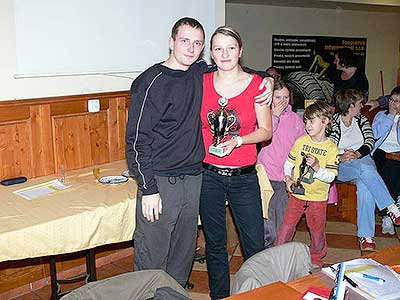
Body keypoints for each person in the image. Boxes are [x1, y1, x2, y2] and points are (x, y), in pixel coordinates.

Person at [126, 17, 273, 287]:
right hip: (161, 182)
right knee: (152, 254)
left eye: (197, 43)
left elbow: (238, 68)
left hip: (195, 179)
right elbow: (136, 140)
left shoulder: (198, 73)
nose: (191, 49)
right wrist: (147, 189)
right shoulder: (151, 81)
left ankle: (175, 292)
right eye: (184, 41)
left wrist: (267, 80)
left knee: (183, 254)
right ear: (171, 43)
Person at [199, 26, 272, 300]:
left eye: (230, 47)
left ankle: (258, 294)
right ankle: (219, 295)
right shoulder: (202, 81)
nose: (224, 53)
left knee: (253, 244)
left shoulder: (258, 85)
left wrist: (239, 141)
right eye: (218, 48)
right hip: (208, 176)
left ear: (241, 51)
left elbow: (266, 131)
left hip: (243, 177)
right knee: (215, 243)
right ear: (211, 53)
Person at [329, 89, 400, 251]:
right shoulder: (332, 122)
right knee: (366, 169)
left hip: (362, 159)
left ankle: (366, 236)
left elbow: (370, 142)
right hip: (341, 164)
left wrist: (357, 153)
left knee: (365, 183)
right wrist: (340, 156)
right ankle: (390, 207)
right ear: (351, 105)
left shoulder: (362, 120)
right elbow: (328, 146)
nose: (362, 106)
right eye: (360, 103)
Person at [274, 101, 339, 268]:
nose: (307, 125)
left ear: (325, 121)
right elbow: (289, 162)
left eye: (312, 121)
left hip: (317, 198)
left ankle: (316, 256)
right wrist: (288, 178)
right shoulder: (301, 141)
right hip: (297, 195)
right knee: (286, 227)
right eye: (306, 121)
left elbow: (331, 176)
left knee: (317, 231)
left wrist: (317, 166)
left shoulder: (331, 148)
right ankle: (277, 255)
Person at [257, 80, 305, 248]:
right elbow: (265, 136)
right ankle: (266, 252)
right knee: (267, 218)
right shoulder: (264, 116)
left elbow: (301, 145)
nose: (283, 101)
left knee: (284, 218)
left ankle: (281, 251)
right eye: (278, 97)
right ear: (270, 98)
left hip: (286, 176)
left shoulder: (296, 120)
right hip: (266, 174)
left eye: (286, 97)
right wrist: (275, 116)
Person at [371, 86, 400, 235]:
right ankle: (387, 215)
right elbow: (375, 134)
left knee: (394, 169)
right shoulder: (381, 115)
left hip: (397, 153)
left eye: (398, 102)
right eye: (392, 100)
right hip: (380, 151)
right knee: (389, 169)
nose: (394, 104)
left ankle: (393, 208)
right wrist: (391, 117)